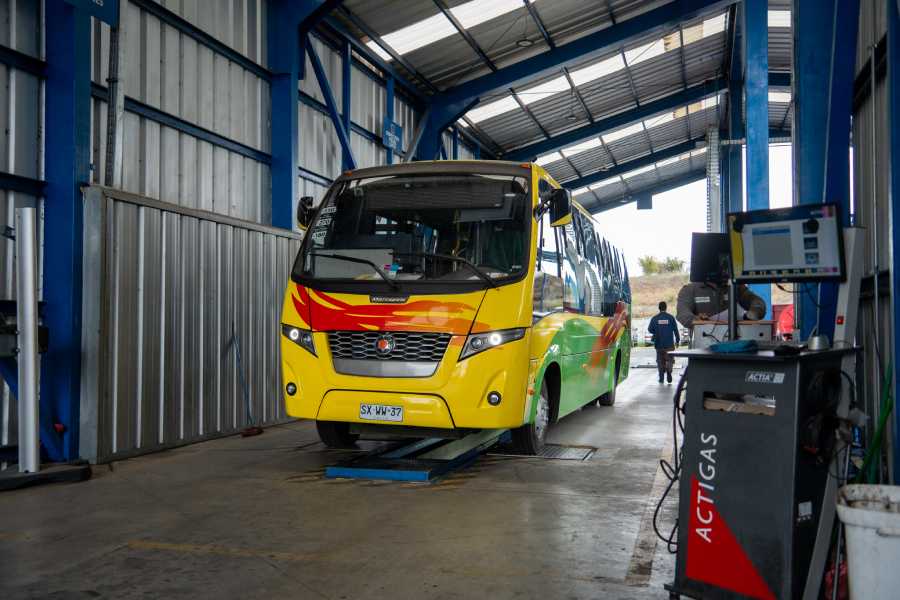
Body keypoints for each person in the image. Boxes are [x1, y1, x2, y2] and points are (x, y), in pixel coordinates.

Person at [676, 281, 766, 330]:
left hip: (736, 344)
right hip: (704, 348)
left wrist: (752, 314)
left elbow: (758, 303)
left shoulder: (736, 287)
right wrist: (697, 320)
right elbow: (683, 314)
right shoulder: (690, 289)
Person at [648, 301, 680, 384]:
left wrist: (656, 331)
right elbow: (676, 330)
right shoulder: (671, 318)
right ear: (666, 308)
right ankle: (669, 371)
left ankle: (661, 378)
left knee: (660, 361)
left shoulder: (655, 318)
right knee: (670, 359)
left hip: (659, 344)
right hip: (669, 344)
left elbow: (650, 329)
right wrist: (677, 340)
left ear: (659, 308)